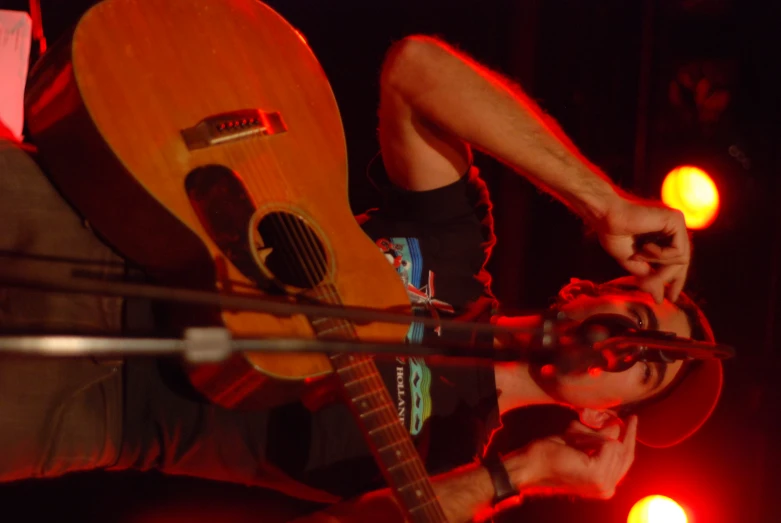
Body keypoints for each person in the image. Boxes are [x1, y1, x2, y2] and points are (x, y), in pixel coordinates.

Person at [0, 34, 722, 523]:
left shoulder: (446, 461)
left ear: (601, 417)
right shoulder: (454, 244)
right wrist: (602, 201)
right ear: (583, 288)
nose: (626, 345)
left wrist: (521, 471)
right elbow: (415, 69)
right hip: (98, 217)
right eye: (641, 319)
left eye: (647, 369)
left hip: (92, 404)